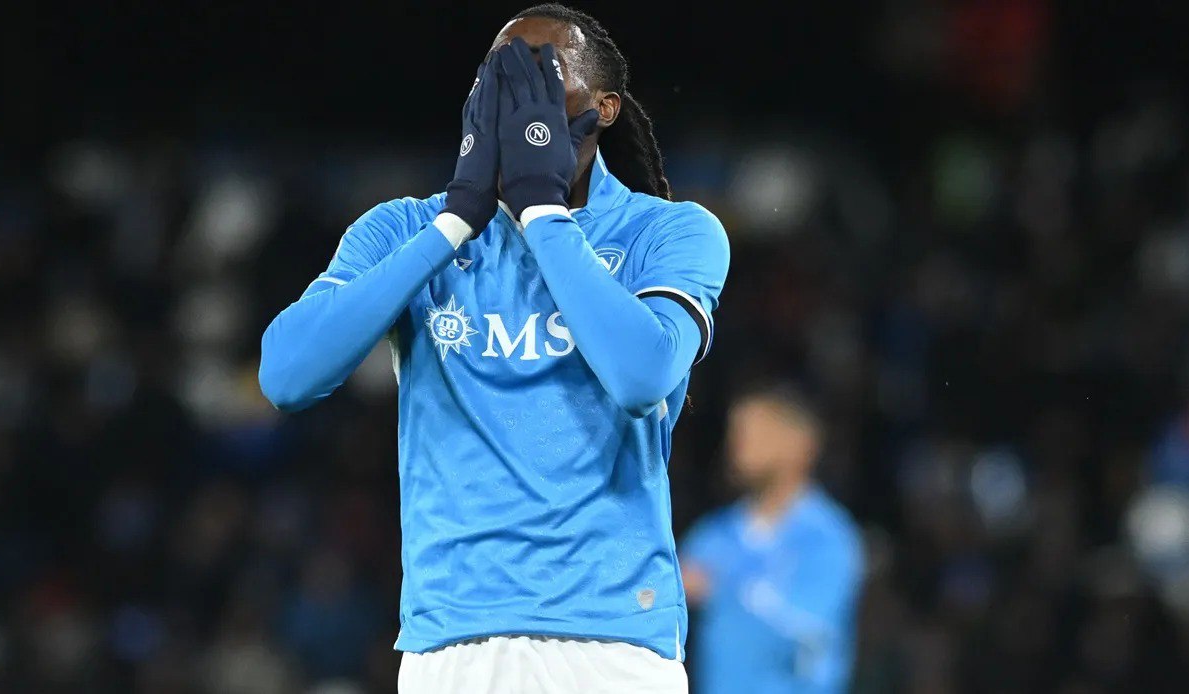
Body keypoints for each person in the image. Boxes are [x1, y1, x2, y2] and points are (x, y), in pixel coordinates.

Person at [257, 4, 730, 692]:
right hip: (453, 641)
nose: (515, 98)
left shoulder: (667, 232)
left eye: (541, 75)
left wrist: (542, 212)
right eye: (498, 76)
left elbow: (639, 376)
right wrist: (453, 222)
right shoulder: (407, 230)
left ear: (602, 108)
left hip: (612, 641)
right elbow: (286, 375)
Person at [681, 385, 864, 694]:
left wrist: (722, 588)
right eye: (736, 433)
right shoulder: (712, 534)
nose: (739, 445)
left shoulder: (828, 538)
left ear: (801, 445)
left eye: (757, 433)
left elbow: (807, 636)